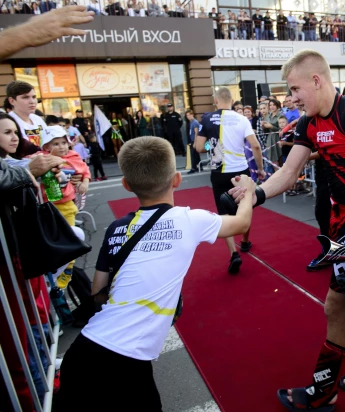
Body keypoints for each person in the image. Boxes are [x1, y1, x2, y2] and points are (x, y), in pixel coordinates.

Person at [226, 50, 345, 412]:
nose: (291, 98)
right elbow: (289, 173)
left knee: (335, 306)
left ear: (316, 81)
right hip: (341, 225)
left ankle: (324, 392)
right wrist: (255, 193)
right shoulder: (308, 123)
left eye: (294, 88)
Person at [55, 136, 256, 410]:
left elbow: (97, 293)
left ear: (126, 184)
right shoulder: (188, 219)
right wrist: (249, 190)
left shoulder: (116, 228)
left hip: (84, 352)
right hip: (126, 360)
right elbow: (242, 222)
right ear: (176, 179)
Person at [194, 87, 265, 274]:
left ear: (216, 101)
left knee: (223, 212)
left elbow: (199, 147)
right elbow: (255, 146)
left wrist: (212, 143)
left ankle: (233, 253)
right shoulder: (242, 119)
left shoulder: (208, 119)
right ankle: (245, 242)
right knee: (245, 205)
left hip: (219, 171)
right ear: (232, 101)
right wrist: (260, 169)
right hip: (240, 170)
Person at [38, 125, 91, 288]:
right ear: (46, 146)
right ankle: (54, 270)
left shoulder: (73, 156)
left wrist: (85, 182)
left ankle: (67, 271)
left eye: (63, 142)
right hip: (47, 206)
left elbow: (85, 171)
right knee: (53, 241)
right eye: (55, 144)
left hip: (67, 205)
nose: (61, 146)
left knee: (71, 240)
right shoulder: (41, 159)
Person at [7, 81, 47, 147]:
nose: (32, 101)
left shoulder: (38, 119)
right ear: (12, 101)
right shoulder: (8, 122)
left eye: (34, 97)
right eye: (25, 97)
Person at [185, 109, 201, 175]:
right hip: (192, 140)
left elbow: (196, 133)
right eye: (187, 115)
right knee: (196, 154)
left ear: (192, 115)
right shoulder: (191, 122)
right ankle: (200, 166)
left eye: (189, 115)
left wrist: (195, 142)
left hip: (194, 140)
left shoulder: (195, 122)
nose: (188, 117)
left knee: (193, 155)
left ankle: (193, 168)